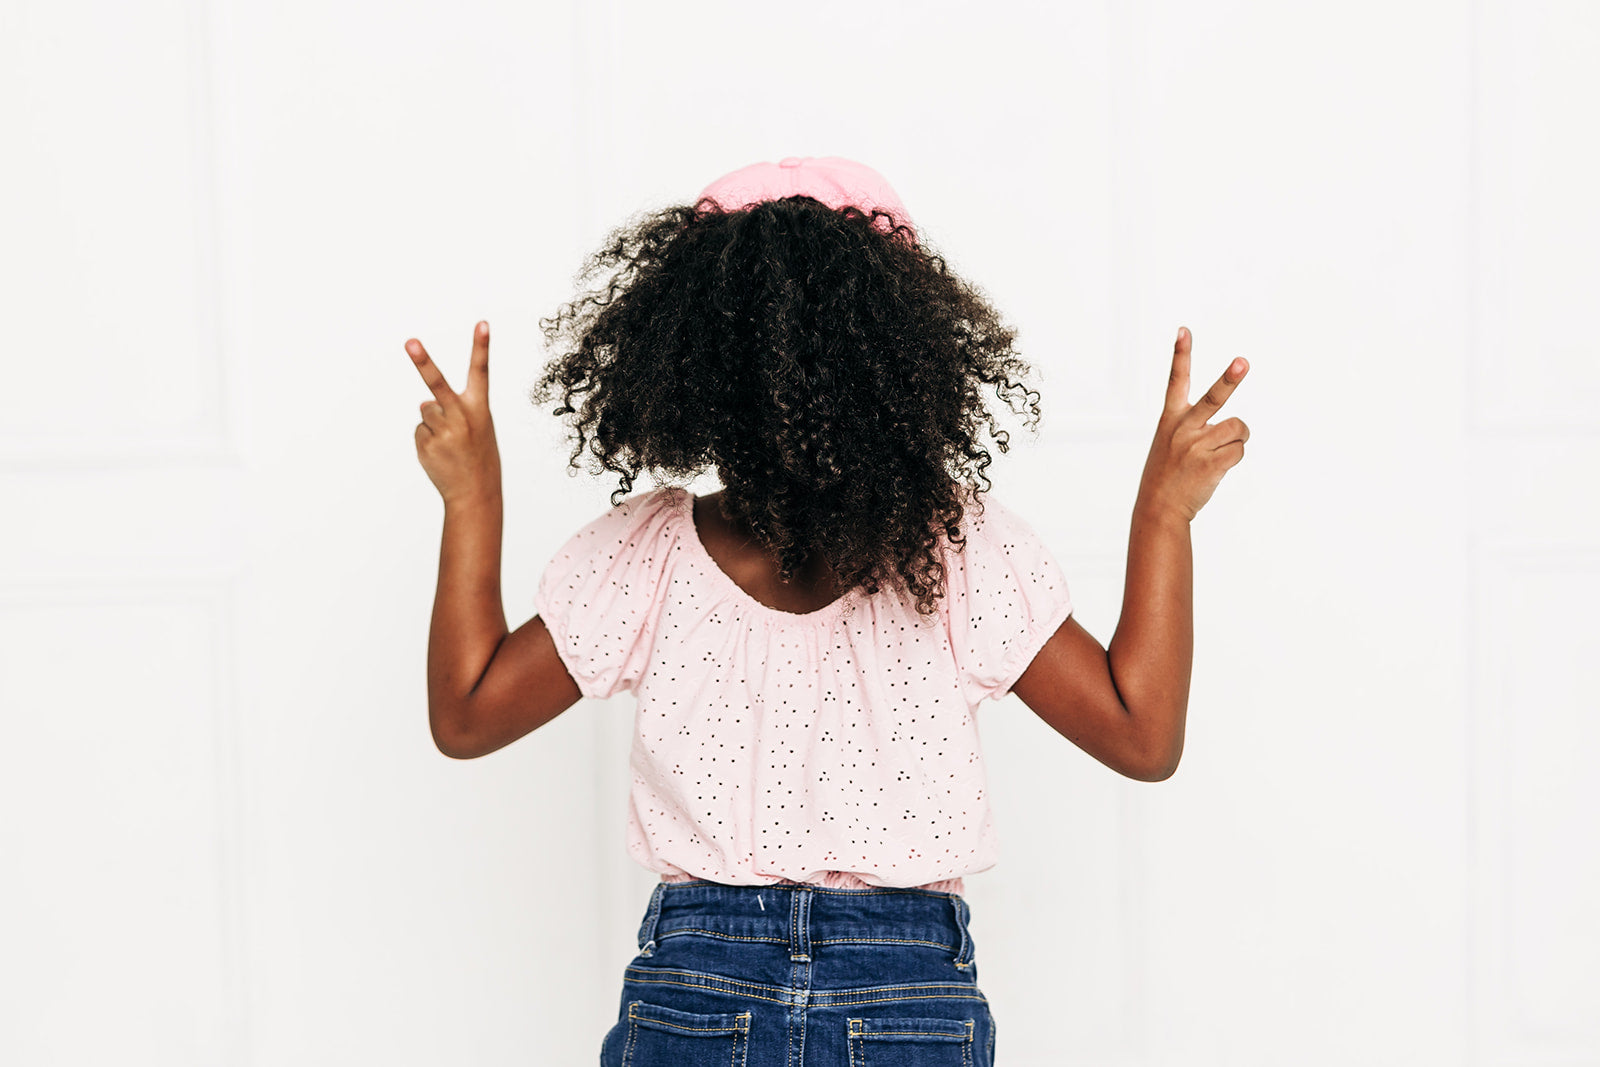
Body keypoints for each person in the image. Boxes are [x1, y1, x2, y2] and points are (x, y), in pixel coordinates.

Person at [405, 156, 1250, 1066]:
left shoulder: (649, 553)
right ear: (899, 360)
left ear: (689, 363)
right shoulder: (955, 545)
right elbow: (1141, 732)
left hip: (697, 991)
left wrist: (471, 497)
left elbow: (468, 711)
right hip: (906, 998)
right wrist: (1165, 511)